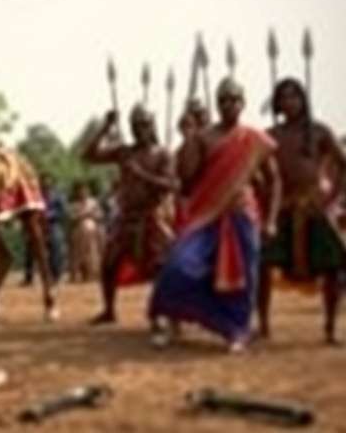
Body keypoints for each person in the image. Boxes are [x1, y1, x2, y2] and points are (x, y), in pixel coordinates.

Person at [149, 78, 281, 352]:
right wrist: (189, 140)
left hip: (241, 212)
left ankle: (237, 330)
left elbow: (274, 180)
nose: (229, 104)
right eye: (223, 99)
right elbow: (187, 180)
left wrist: (270, 219)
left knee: (244, 275)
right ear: (217, 104)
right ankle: (186, 319)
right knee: (179, 266)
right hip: (205, 214)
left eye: (234, 99)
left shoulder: (254, 138)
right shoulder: (204, 137)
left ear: (243, 103)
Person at [260, 78, 346, 344]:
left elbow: (343, 164)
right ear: (277, 102)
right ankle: (263, 325)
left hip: (314, 208)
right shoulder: (271, 135)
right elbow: (258, 173)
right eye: (284, 98)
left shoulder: (319, 132)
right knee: (262, 263)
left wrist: (333, 199)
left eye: (295, 97)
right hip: (282, 208)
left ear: (303, 100)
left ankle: (330, 327)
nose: (290, 103)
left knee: (335, 265)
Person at [82, 104, 176, 325]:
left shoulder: (163, 154)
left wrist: (141, 174)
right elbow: (88, 155)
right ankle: (109, 310)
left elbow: (170, 184)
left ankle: (162, 313)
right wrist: (106, 127)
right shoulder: (124, 152)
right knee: (108, 264)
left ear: (151, 126)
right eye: (135, 126)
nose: (139, 130)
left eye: (143, 125)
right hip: (126, 218)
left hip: (153, 216)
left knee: (161, 265)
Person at [66, 181, 103, 282]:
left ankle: (93, 274)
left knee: (92, 253)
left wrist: (92, 215)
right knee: (78, 254)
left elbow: (100, 215)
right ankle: (77, 275)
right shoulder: (74, 205)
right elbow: (71, 218)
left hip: (92, 231)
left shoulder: (94, 203)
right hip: (79, 232)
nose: (83, 192)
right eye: (81, 190)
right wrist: (82, 215)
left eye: (85, 190)